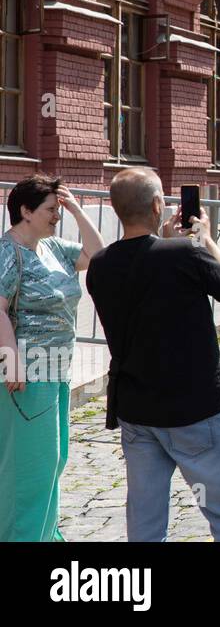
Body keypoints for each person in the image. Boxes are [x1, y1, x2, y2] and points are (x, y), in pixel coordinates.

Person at [85, 168, 220, 542]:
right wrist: (205, 240)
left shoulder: (100, 265)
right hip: (195, 408)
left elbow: (145, 272)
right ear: (159, 205)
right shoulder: (184, 252)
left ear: (116, 209)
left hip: (138, 411)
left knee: (145, 525)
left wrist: (169, 242)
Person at [0, 174, 104, 541]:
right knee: (31, 467)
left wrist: (75, 208)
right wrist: (10, 359)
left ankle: (44, 534)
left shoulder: (54, 247)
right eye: (51, 210)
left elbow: (98, 253)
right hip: (27, 373)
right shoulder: (8, 252)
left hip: (57, 368)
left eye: (58, 210)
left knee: (53, 461)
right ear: (26, 211)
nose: (56, 216)